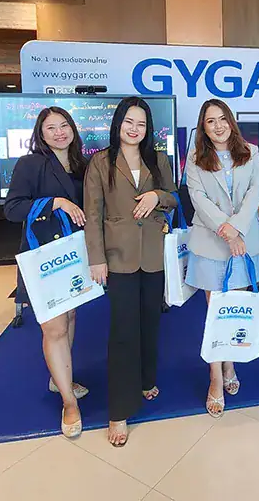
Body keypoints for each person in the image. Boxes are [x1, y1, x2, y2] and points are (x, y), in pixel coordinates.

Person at [84, 96, 177, 447]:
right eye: (128, 122)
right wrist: (96, 258)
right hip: (118, 257)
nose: (134, 129)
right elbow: (93, 214)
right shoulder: (100, 162)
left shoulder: (158, 159)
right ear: (118, 123)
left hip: (153, 255)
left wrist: (157, 196)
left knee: (150, 322)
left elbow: (174, 197)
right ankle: (119, 410)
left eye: (141, 123)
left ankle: (146, 379)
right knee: (123, 331)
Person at [5, 106, 89, 439]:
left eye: (64, 125)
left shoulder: (82, 165)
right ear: (41, 133)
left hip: (75, 256)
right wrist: (55, 202)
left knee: (70, 318)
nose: (59, 132)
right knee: (54, 327)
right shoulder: (30, 164)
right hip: (44, 258)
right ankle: (69, 403)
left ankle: (60, 379)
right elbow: (13, 208)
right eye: (51, 127)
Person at [184, 99, 259, 418]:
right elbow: (198, 199)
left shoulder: (251, 152)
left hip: (244, 243)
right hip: (211, 244)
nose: (218, 126)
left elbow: (255, 193)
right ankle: (215, 377)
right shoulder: (195, 158)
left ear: (231, 122)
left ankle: (229, 363)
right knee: (215, 314)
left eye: (222, 119)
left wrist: (237, 229)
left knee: (234, 312)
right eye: (210, 121)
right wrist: (227, 231)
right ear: (203, 128)